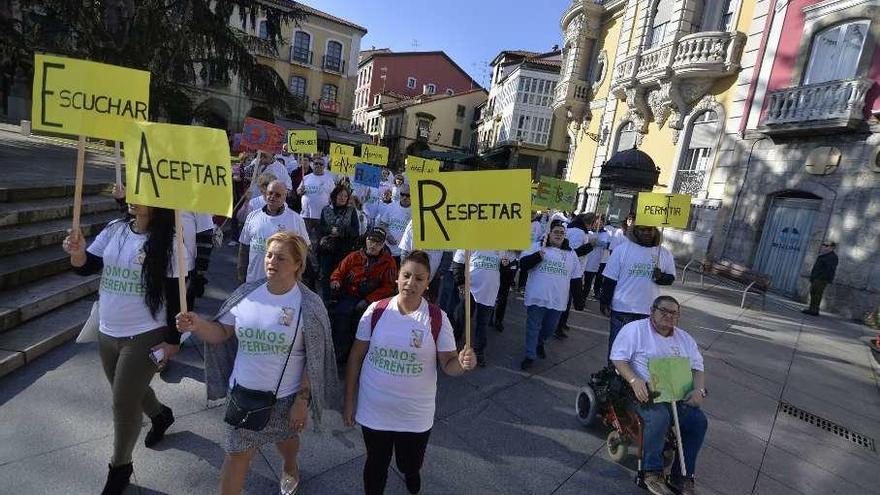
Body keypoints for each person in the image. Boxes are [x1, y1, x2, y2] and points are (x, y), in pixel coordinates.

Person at [176, 232, 339, 495]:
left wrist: (302, 400)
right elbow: (222, 333)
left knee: (286, 440)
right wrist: (197, 325)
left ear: (298, 264)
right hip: (241, 395)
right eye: (269, 255)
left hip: (284, 399)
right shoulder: (246, 294)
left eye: (281, 258)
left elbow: (314, 357)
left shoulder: (308, 305)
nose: (272, 261)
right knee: (236, 456)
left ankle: (290, 464)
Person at [63, 204, 188, 495]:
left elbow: (176, 296)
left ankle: (120, 469)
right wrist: (77, 251)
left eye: (142, 192)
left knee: (123, 402)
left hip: (145, 333)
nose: (134, 197)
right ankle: (160, 415)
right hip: (107, 330)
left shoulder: (171, 242)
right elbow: (86, 267)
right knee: (130, 389)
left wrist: (173, 341)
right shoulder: (115, 229)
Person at [343, 251, 476, 495]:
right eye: (406, 276)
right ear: (397, 277)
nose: (410, 283)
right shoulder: (376, 311)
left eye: (419, 278)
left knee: (410, 462)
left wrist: (462, 363)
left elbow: (448, 364)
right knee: (375, 464)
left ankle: (411, 473)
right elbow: (355, 357)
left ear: (428, 283)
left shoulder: (437, 318)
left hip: (415, 415)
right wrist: (349, 402)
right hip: (375, 410)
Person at [610, 295, 708, 495]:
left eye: (673, 313)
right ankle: (650, 472)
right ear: (651, 310)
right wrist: (633, 380)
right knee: (659, 417)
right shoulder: (635, 330)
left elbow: (698, 368)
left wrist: (699, 390)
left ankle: (682, 476)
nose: (668, 315)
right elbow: (618, 358)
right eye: (663, 310)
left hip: (676, 395)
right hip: (643, 392)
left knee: (698, 421)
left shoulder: (685, 339)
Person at [599, 224, 676, 357]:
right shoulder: (622, 250)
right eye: (643, 229)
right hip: (622, 309)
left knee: (641, 351)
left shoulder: (663, 253)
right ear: (635, 231)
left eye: (650, 229)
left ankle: (633, 377)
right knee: (618, 348)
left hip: (649, 311)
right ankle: (613, 375)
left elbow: (670, 278)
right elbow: (610, 279)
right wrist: (605, 302)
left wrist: (661, 277)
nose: (647, 233)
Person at [518, 221, 582, 370]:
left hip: (558, 300)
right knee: (533, 327)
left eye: (562, 232)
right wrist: (536, 257)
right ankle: (530, 355)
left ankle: (540, 342)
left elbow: (576, 277)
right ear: (549, 233)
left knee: (549, 328)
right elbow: (523, 265)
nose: (559, 234)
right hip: (537, 297)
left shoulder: (571, 253)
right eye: (556, 232)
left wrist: (579, 300)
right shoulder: (537, 246)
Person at [329, 227, 398, 366]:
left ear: (383, 244)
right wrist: (335, 281)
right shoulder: (354, 256)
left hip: (372, 300)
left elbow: (389, 286)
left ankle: (362, 356)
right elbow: (338, 272)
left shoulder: (389, 262)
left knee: (365, 323)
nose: (373, 245)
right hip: (351, 295)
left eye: (378, 243)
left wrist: (368, 300)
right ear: (366, 240)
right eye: (371, 241)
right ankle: (340, 353)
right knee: (341, 316)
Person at [238, 180, 310, 284]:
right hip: (253, 282)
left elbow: (303, 251)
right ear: (265, 194)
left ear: (285, 197)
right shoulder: (253, 216)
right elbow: (244, 249)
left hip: (282, 285)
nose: (272, 197)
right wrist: (241, 276)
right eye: (270, 193)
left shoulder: (295, 219)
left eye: (277, 195)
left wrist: (298, 277)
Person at [452, 250, 502, 367]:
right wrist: (460, 282)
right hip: (470, 289)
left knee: (482, 323)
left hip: (489, 291)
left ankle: (479, 352)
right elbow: (457, 263)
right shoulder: (470, 241)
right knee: (462, 317)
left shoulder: (500, 245)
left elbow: (508, 267)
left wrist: (506, 265)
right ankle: (452, 344)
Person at [556, 213, 595, 338]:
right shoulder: (579, 233)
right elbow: (573, 252)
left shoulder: (573, 229)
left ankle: (561, 323)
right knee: (566, 300)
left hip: (570, 269)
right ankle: (559, 326)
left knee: (566, 299)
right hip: (572, 271)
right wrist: (590, 246)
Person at [317, 185, 360, 299]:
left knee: (341, 276)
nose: (342, 198)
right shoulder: (326, 210)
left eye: (345, 196)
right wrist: (330, 230)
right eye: (340, 195)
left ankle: (338, 302)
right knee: (327, 276)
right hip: (327, 250)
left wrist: (342, 231)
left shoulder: (351, 211)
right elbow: (320, 229)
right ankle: (326, 301)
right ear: (334, 195)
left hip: (344, 251)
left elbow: (356, 231)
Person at [297, 158, 336, 241]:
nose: (318, 165)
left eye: (321, 164)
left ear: (324, 166)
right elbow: (298, 191)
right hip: (306, 215)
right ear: (312, 165)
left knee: (319, 240)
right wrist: (300, 191)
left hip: (321, 216)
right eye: (316, 163)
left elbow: (334, 196)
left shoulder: (329, 179)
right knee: (304, 239)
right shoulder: (306, 177)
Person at [376, 183, 411, 266]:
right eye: (402, 194)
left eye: (408, 195)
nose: (405, 197)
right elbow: (383, 224)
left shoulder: (415, 211)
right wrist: (388, 235)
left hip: (403, 254)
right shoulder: (392, 206)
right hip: (387, 250)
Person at [803, 241, 838, 316]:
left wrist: (821, 278)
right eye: (824, 245)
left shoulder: (832, 257)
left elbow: (830, 270)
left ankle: (814, 310)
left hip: (821, 279)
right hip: (816, 278)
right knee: (813, 293)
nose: (824, 246)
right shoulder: (824, 255)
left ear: (832, 247)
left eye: (826, 245)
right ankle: (811, 309)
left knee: (817, 294)